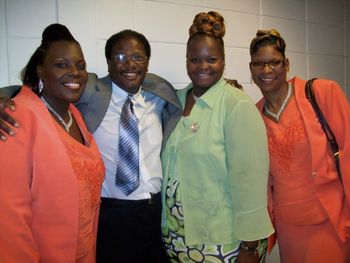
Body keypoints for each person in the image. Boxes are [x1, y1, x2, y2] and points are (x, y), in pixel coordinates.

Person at [160, 11, 274, 263]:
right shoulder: (175, 101)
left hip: (223, 242)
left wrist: (250, 247)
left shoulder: (235, 104)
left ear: (223, 60)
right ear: (186, 61)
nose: (203, 66)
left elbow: (250, 180)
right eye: (194, 59)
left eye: (211, 59)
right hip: (177, 239)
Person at [0, 23, 105, 262]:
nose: (75, 72)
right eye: (61, 65)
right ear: (40, 71)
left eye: (80, 66)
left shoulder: (75, 115)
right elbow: (8, 216)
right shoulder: (17, 116)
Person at [249, 29, 350, 262]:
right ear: (251, 68)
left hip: (330, 223)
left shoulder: (322, 93)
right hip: (289, 230)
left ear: (286, 64)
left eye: (274, 62)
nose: (266, 70)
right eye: (258, 64)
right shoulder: (253, 115)